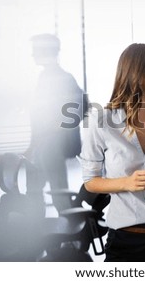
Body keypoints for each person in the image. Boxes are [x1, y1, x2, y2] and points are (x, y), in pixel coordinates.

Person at [79, 43, 145, 262]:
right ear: (138, 74)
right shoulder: (101, 121)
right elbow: (90, 182)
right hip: (127, 239)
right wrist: (126, 183)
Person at [26, 33, 86, 212]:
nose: (33, 54)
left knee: (57, 191)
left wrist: (56, 129)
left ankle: (72, 229)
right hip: (45, 143)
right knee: (41, 188)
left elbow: (81, 106)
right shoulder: (47, 77)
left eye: (35, 50)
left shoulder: (60, 78)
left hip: (51, 144)